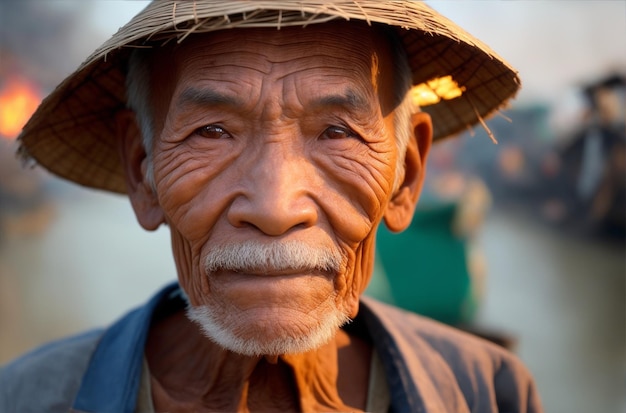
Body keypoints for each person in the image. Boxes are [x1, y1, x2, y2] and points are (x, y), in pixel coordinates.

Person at [0, 1, 542, 412]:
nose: (275, 207)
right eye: (212, 132)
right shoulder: (25, 398)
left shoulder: (488, 390)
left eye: (337, 132)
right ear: (143, 170)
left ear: (407, 175)